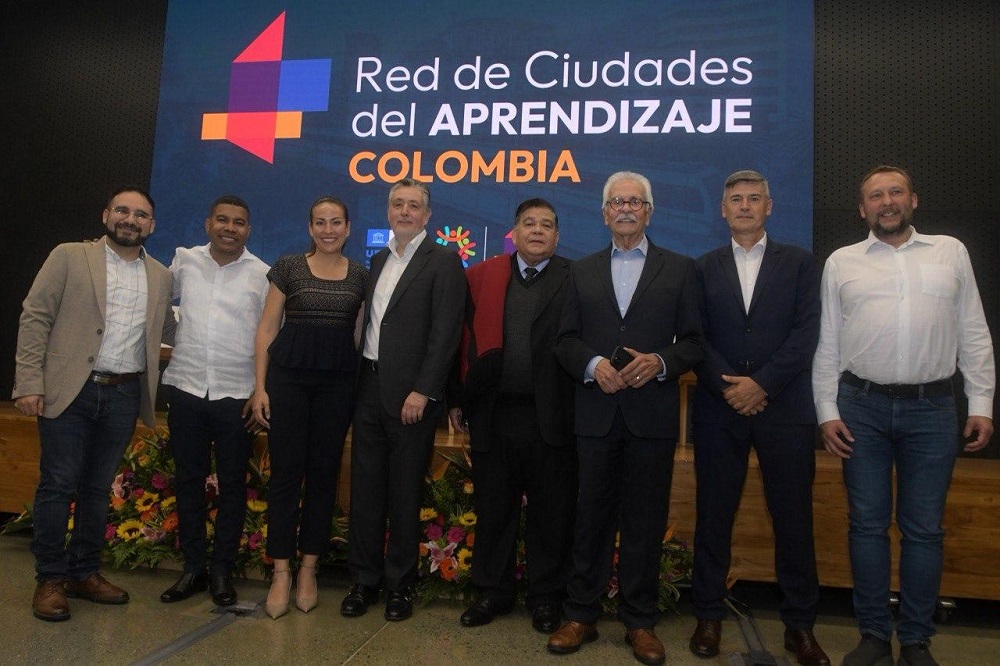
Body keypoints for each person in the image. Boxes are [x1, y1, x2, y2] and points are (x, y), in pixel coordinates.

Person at [813, 166, 995, 666]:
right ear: (862, 209)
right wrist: (826, 410)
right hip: (860, 408)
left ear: (913, 199)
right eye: (876, 196)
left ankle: (916, 640)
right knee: (867, 526)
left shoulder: (950, 252)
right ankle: (873, 634)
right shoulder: (840, 262)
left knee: (924, 530)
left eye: (895, 193)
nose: (886, 202)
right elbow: (828, 342)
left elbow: (974, 332)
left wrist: (981, 402)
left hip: (934, 409)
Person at [548, 171, 702, 665]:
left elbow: (696, 342)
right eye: (617, 201)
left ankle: (640, 622)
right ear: (603, 212)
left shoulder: (680, 269)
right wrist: (593, 366)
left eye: (636, 201)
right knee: (588, 517)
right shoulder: (580, 270)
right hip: (594, 416)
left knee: (644, 521)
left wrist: (660, 363)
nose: (626, 209)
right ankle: (580, 616)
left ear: (650, 212)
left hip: (651, 418)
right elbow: (564, 340)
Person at [13, 186, 176, 622]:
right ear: (106, 215)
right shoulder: (68, 256)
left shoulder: (161, 275)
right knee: (58, 485)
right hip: (71, 389)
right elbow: (35, 316)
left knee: (98, 488)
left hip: (123, 393)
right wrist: (29, 381)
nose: (131, 219)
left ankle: (84, 572)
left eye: (141, 214)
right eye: (122, 210)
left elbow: (167, 333)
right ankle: (49, 579)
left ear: (151, 225)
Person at [689, 170, 829, 665]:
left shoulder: (800, 263)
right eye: (735, 200)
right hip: (718, 409)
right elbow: (695, 338)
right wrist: (732, 389)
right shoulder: (702, 268)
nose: (744, 206)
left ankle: (800, 627)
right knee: (713, 517)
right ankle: (707, 616)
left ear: (769, 206)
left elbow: (807, 332)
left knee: (793, 520)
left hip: (783, 408)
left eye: (753, 199)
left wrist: (762, 384)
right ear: (722, 210)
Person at [341, 178, 466, 622]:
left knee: (404, 493)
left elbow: (446, 333)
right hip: (369, 390)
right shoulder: (377, 260)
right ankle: (364, 581)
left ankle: (400, 587)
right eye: (398, 204)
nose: (406, 211)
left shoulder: (444, 262)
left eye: (415, 205)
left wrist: (425, 389)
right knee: (366, 491)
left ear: (428, 216)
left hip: (413, 397)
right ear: (389, 211)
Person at [449, 198, 575, 634]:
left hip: (552, 415)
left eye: (546, 225)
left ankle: (546, 599)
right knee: (494, 509)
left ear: (557, 237)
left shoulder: (575, 278)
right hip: (495, 413)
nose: (537, 231)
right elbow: (459, 341)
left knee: (550, 512)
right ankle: (493, 593)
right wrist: (457, 399)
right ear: (514, 232)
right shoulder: (484, 277)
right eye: (529, 223)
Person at [251, 196, 367, 619]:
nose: (328, 229)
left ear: (348, 228)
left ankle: (309, 570)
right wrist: (259, 387)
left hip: (337, 386)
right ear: (310, 227)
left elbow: (358, 338)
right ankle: (281, 570)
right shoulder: (288, 267)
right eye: (320, 222)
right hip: (287, 382)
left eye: (336, 222)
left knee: (323, 476)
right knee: (284, 475)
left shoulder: (361, 275)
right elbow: (267, 327)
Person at [158, 195, 269, 607]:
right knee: (187, 482)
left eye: (238, 222)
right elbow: (155, 301)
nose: (229, 227)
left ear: (248, 230)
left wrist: (261, 389)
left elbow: (268, 336)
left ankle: (221, 570)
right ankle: (192, 569)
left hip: (236, 396)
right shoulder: (184, 261)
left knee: (233, 487)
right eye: (222, 220)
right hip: (186, 389)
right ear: (208, 224)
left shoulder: (263, 274)